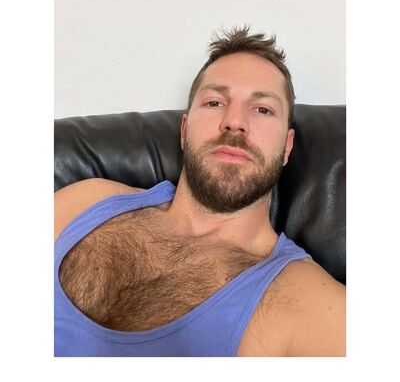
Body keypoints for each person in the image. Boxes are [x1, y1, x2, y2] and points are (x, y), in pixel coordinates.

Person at [54, 26, 346, 357]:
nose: (234, 121)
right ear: (184, 131)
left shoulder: (312, 305)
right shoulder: (85, 202)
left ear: (287, 147)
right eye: (215, 102)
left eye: (262, 109)